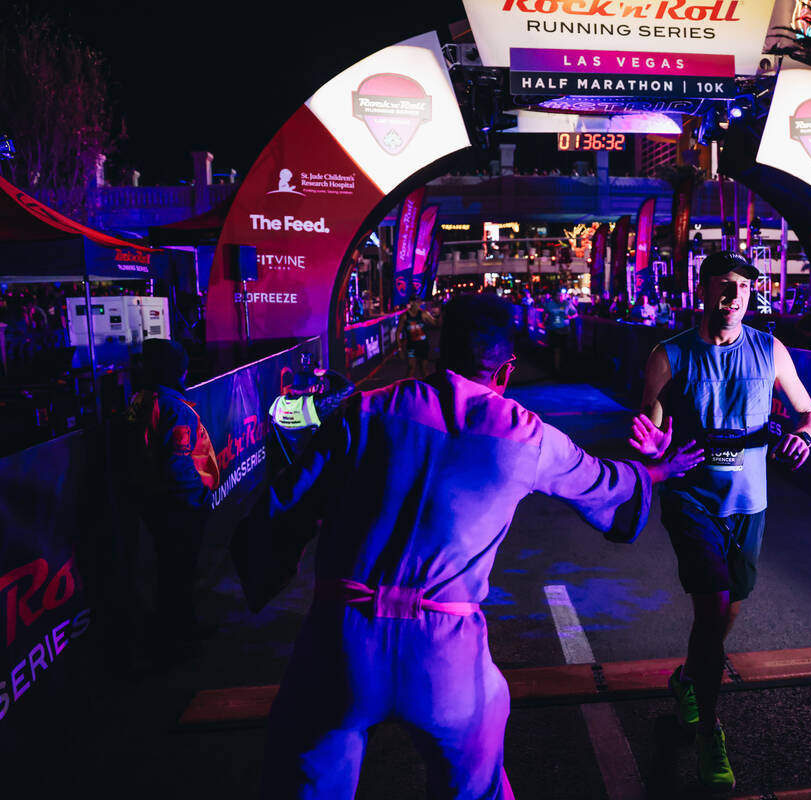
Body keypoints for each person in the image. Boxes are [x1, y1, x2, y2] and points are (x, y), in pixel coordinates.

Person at [236, 294, 702, 800]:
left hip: (340, 639)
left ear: (440, 348)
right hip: (446, 653)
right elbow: (604, 486)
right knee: (473, 788)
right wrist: (655, 470)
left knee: (307, 783)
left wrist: (269, 563)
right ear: (505, 368)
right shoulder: (529, 436)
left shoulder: (367, 409)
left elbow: (288, 504)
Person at [634, 251, 811, 791]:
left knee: (723, 619)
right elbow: (652, 430)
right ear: (703, 287)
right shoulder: (669, 355)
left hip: (750, 503)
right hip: (692, 501)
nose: (735, 295)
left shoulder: (771, 350)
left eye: (743, 286)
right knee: (714, 607)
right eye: (725, 284)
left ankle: (688, 678)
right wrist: (652, 450)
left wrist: (803, 437)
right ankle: (709, 730)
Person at [125, 338, 220, 651]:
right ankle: (176, 638)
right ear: (179, 369)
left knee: (168, 571)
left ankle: (176, 627)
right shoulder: (175, 408)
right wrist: (198, 500)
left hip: (150, 499)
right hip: (177, 506)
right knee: (179, 572)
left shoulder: (141, 398)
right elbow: (177, 467)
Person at [541, 285, 577, 374]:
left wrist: (569, 316)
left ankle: (564, 368)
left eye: (561, 295)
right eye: (558, 295)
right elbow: (544, 314)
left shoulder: (567, 304)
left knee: (565, 350)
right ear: (554, 296)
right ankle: (556, 369)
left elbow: (576, 314)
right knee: (555, 350)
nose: (560, 297)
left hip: (565, 330)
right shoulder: (549, 304)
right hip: (553, 330)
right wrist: (545, 322)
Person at [402, 297, 436, 378]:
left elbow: (435, 323)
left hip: (423, 345)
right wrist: (400, 348)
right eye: (417, 302)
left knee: (423, 368)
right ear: (411, 303)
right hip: (411, 346)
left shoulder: (424, 314)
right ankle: (407, 388)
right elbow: (398, 332)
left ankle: (426, 387)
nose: (419, 304)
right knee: (411, 368)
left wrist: (442, 315)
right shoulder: (405, 316)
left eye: (419, 302)